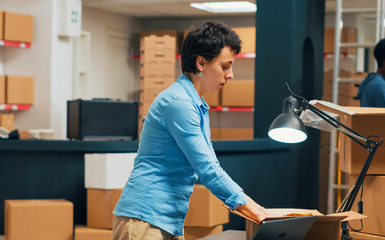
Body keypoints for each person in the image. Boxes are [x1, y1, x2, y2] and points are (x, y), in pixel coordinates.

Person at [112, 22, 271, 240]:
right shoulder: (179, 103)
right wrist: (261, 215)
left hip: (166, 219)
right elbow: (208, 170)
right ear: (201, 63)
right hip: (145, 218)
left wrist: (260, 212)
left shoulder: (195, 104)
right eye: (225, 66)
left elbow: (211, 165)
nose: (230, 74)